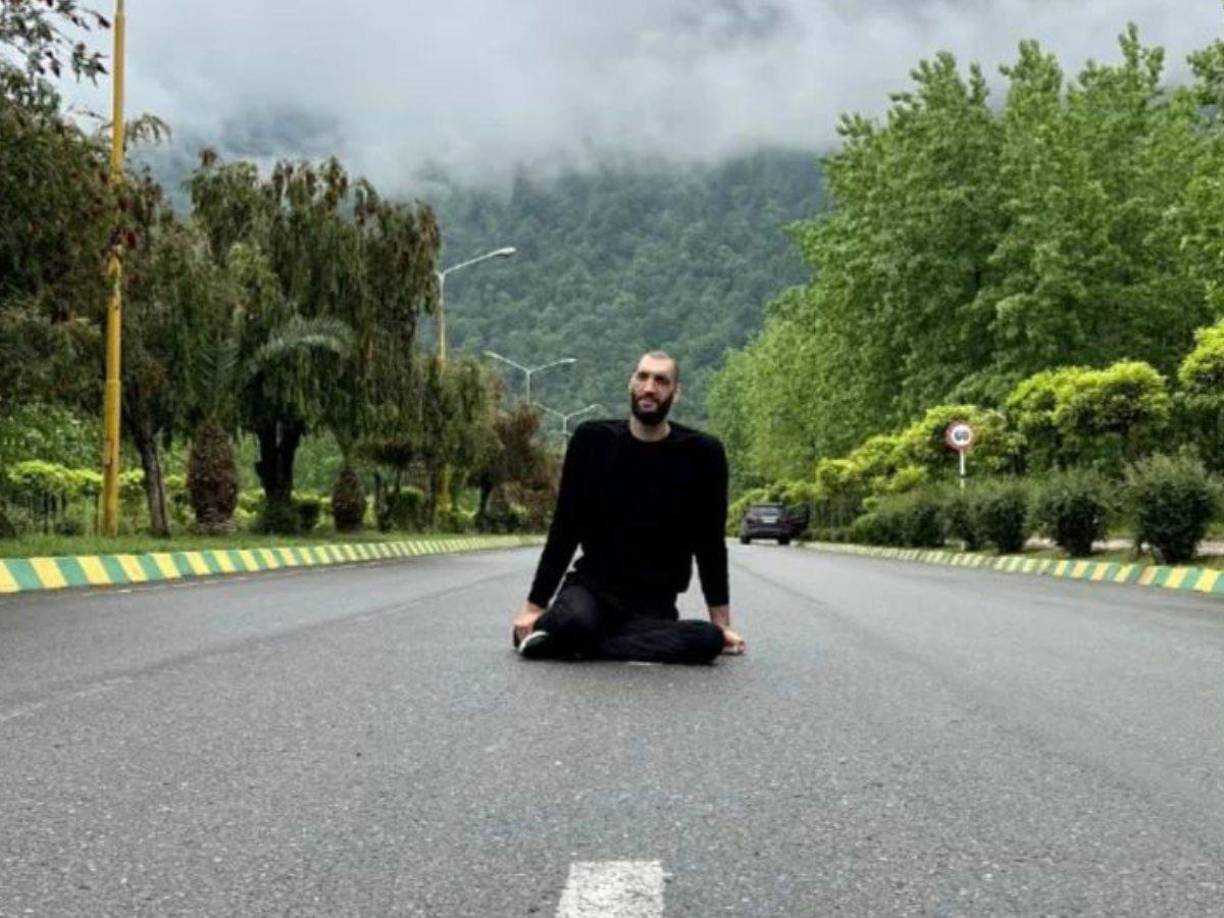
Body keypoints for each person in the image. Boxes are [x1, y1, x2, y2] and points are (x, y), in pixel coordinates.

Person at [511, 351, 746, 664]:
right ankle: (575, 635)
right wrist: (533, 608)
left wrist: (722, 624)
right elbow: (565, 528)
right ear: (631, 383)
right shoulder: (592, 440)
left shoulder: (702, 454)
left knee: (707, 640)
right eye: (643, 377)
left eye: (661, 381)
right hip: (590, 593)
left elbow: (710, 545)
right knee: (575, 621)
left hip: (653, 606)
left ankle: (574, 645)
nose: (650, 387)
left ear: (676, 393)